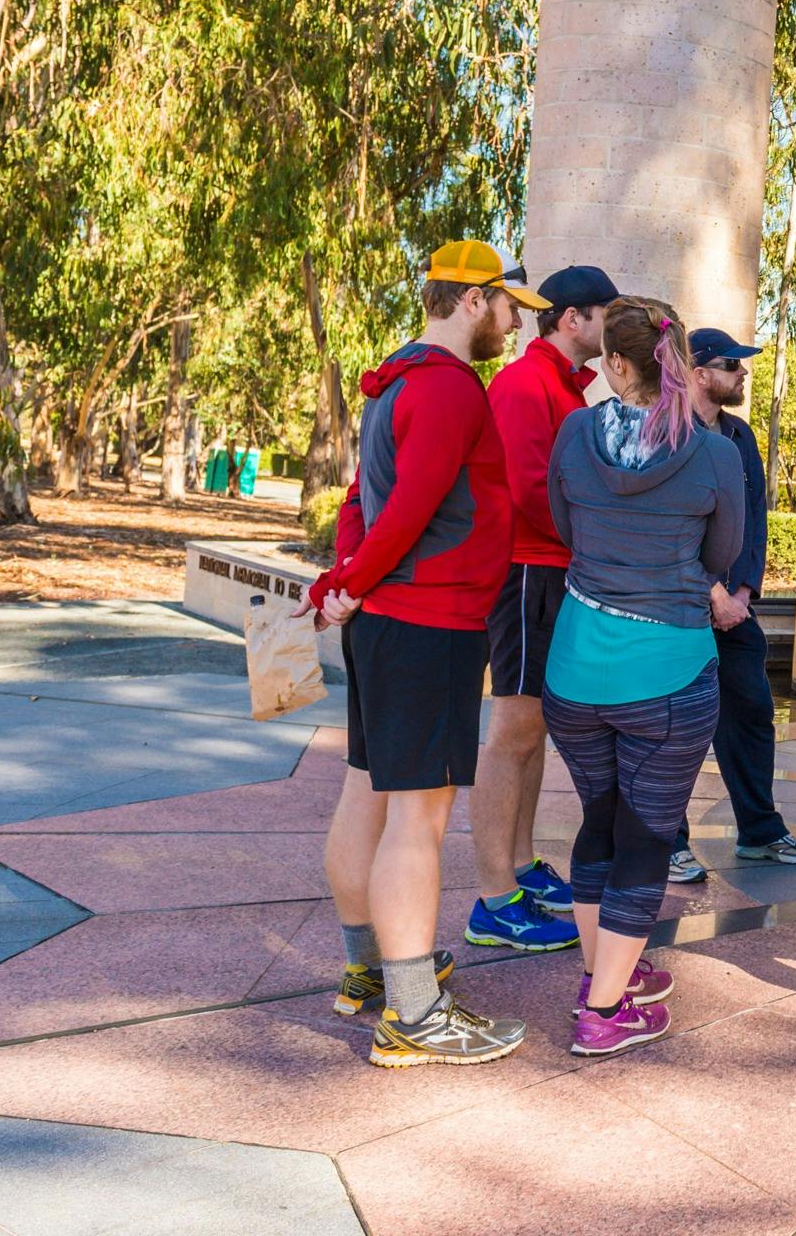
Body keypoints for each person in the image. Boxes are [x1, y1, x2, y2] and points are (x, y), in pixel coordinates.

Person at [304, 239, 546, 1065]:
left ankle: (370, 974)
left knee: (369, 792)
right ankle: (413, 1013)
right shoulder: (446, 386)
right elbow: (405, 506)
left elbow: (359, 502)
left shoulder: (394, 379)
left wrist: (345, 582)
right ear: (474, 300)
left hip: (392, 620)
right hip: (429, 623)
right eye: (512, 306)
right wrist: (354, 578)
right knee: (421, 814)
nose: (516, 325)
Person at [542, 296, 744, 1057]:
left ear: (616, 365)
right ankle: (602, 1011)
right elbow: (721, 557)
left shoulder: (573, 432)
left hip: (575, 670)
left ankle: (608, 975)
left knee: (599, 822)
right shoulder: (715, 452)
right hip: (668, 673)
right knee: (647, 837)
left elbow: (566, 529)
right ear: (676, 359)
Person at [465, 263, 618, 956]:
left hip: (554, 572)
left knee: (533, 733)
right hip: (528, 572)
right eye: (605, 314)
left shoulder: (564, 388)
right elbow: (529, 490)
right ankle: (495, 899)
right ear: (572, 319)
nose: (612, 329)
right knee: (513, 734)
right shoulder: (525, 383)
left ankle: (521, 867)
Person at [666, 325, 796, 884]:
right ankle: (668, 842)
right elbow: (670, 526)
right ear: (701, 373)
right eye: (733, 365)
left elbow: (753, 521)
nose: (743, 374)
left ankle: (760, 831)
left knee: (753, 714)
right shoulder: (669, 434)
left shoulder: (739, 437)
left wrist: (741, 593)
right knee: (676, 726)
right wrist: (708, 592)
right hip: (679, 611)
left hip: (735, 611)